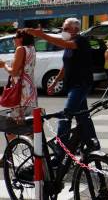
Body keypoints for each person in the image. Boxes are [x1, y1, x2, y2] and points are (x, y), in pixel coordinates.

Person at [27, 18, 98, 153]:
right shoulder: (68, 45)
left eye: (66, 29)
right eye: (63, 28)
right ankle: (93, 145)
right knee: (83, 117)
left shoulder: (80, 41)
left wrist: (41, 35)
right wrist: (55, 82)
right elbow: (66, 66)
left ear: (76, 30)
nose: (63, 31)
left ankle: (60, 153)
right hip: (73, 86)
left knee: (65, 117)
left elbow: (61, 43)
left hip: (80, 85)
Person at [0, 30, 37, 122]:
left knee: (16, 125)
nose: (13, 40)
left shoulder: (20, 49)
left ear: (21, 39)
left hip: (21, 92)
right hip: (30, 89)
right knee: (29, 123)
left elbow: (14, 72)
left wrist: (4, 65)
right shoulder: (31, 48)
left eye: (14, 37)